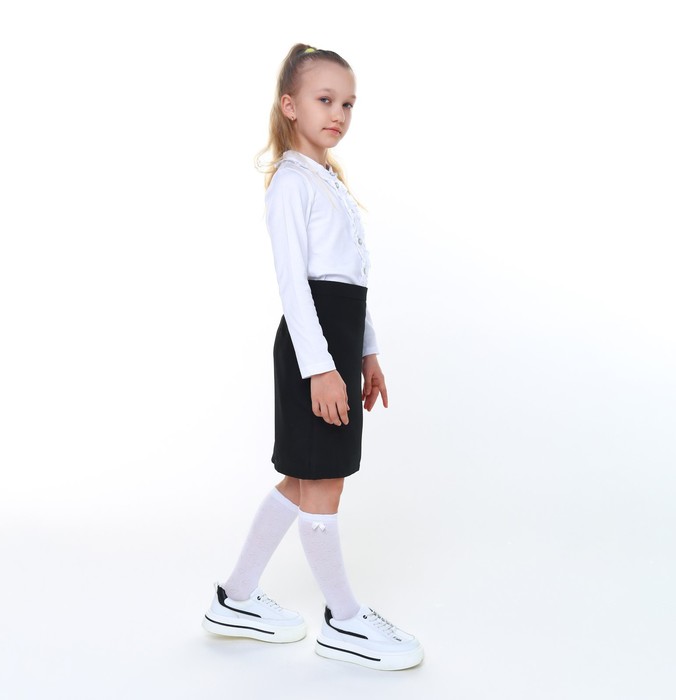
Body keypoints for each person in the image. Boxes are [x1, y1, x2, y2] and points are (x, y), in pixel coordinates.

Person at [202, 43, 423, 671]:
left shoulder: (330, 182)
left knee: (305, 478)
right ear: (290, 105)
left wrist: (367, 352)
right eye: (325, 100)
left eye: (348, 103)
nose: (339, 114)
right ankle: (345, 621)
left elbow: (351, 282)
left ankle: (235, 598)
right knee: (325, 479)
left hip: (339, 340)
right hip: (313, 345)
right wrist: (321, 367)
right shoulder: (290, 183)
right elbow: (296, 287)